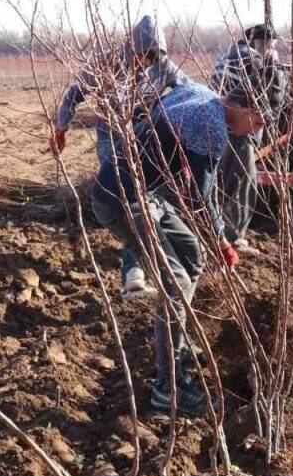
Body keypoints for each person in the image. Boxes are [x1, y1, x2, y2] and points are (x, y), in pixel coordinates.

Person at [90, 80, 268, 415]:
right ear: (243, 108)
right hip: (123, 201)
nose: (255, 133)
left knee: (191, 256)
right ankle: (167, 388)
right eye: (257, 123)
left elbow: (160, 119)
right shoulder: (212, 126)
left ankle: (179, 343)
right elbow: (203, 199)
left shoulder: (200, 94)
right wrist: (222, 241)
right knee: (178, 283)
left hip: (148, 194)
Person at [50, 15, 190, 301]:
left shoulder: (162, 66)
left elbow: (187, 89)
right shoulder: (106, 63)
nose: (146, 61)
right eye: (143, 54)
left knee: (142, 202)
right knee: (128, 201)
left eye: (153, 55)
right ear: (132, 47)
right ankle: (135, 276)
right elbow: (75, 93)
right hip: (110, 137)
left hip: (143, 139)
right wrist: (61, 126)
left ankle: (144, 272)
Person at [210, 23, 287, 254]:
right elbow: (262, 100)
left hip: (215, 125)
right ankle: (234, 238)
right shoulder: (256, 61)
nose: (271, 49)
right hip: (237, 130)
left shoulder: (225, 59)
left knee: (221, 182)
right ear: (260, 42)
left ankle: (214, 232)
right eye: (270, 45)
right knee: (243, 182)